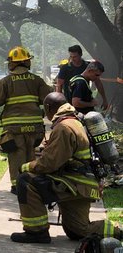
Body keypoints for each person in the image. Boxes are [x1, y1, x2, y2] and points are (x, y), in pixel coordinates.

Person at [12, 91, 103, 243]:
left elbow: (49, 164)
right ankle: (117, 230)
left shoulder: (64, 127)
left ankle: (36, 232)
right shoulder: (75, 120)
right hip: (82, 184)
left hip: (74, 184)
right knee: (79, 232)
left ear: (48, 107)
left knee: (26, 180)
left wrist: (26, 166)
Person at [0, 46, 52, 183]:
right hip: (34, 127)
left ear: (13, 63)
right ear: (27, 62)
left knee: (16, 155)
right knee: (31, 155)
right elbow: (47, 99)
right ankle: (30, 184)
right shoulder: (37, 80)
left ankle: (17, 185)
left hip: (14, 128)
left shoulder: (6, 81)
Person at [56, 44, 108, 108]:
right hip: (69, 102)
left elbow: (98, 83)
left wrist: (104, 99)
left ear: (80, 55)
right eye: (71, 56)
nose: (72, 59)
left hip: (85, 101)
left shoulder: (89, 66)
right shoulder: (65, 68)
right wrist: (59, 103)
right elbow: (59, 85)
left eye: (75, 56)